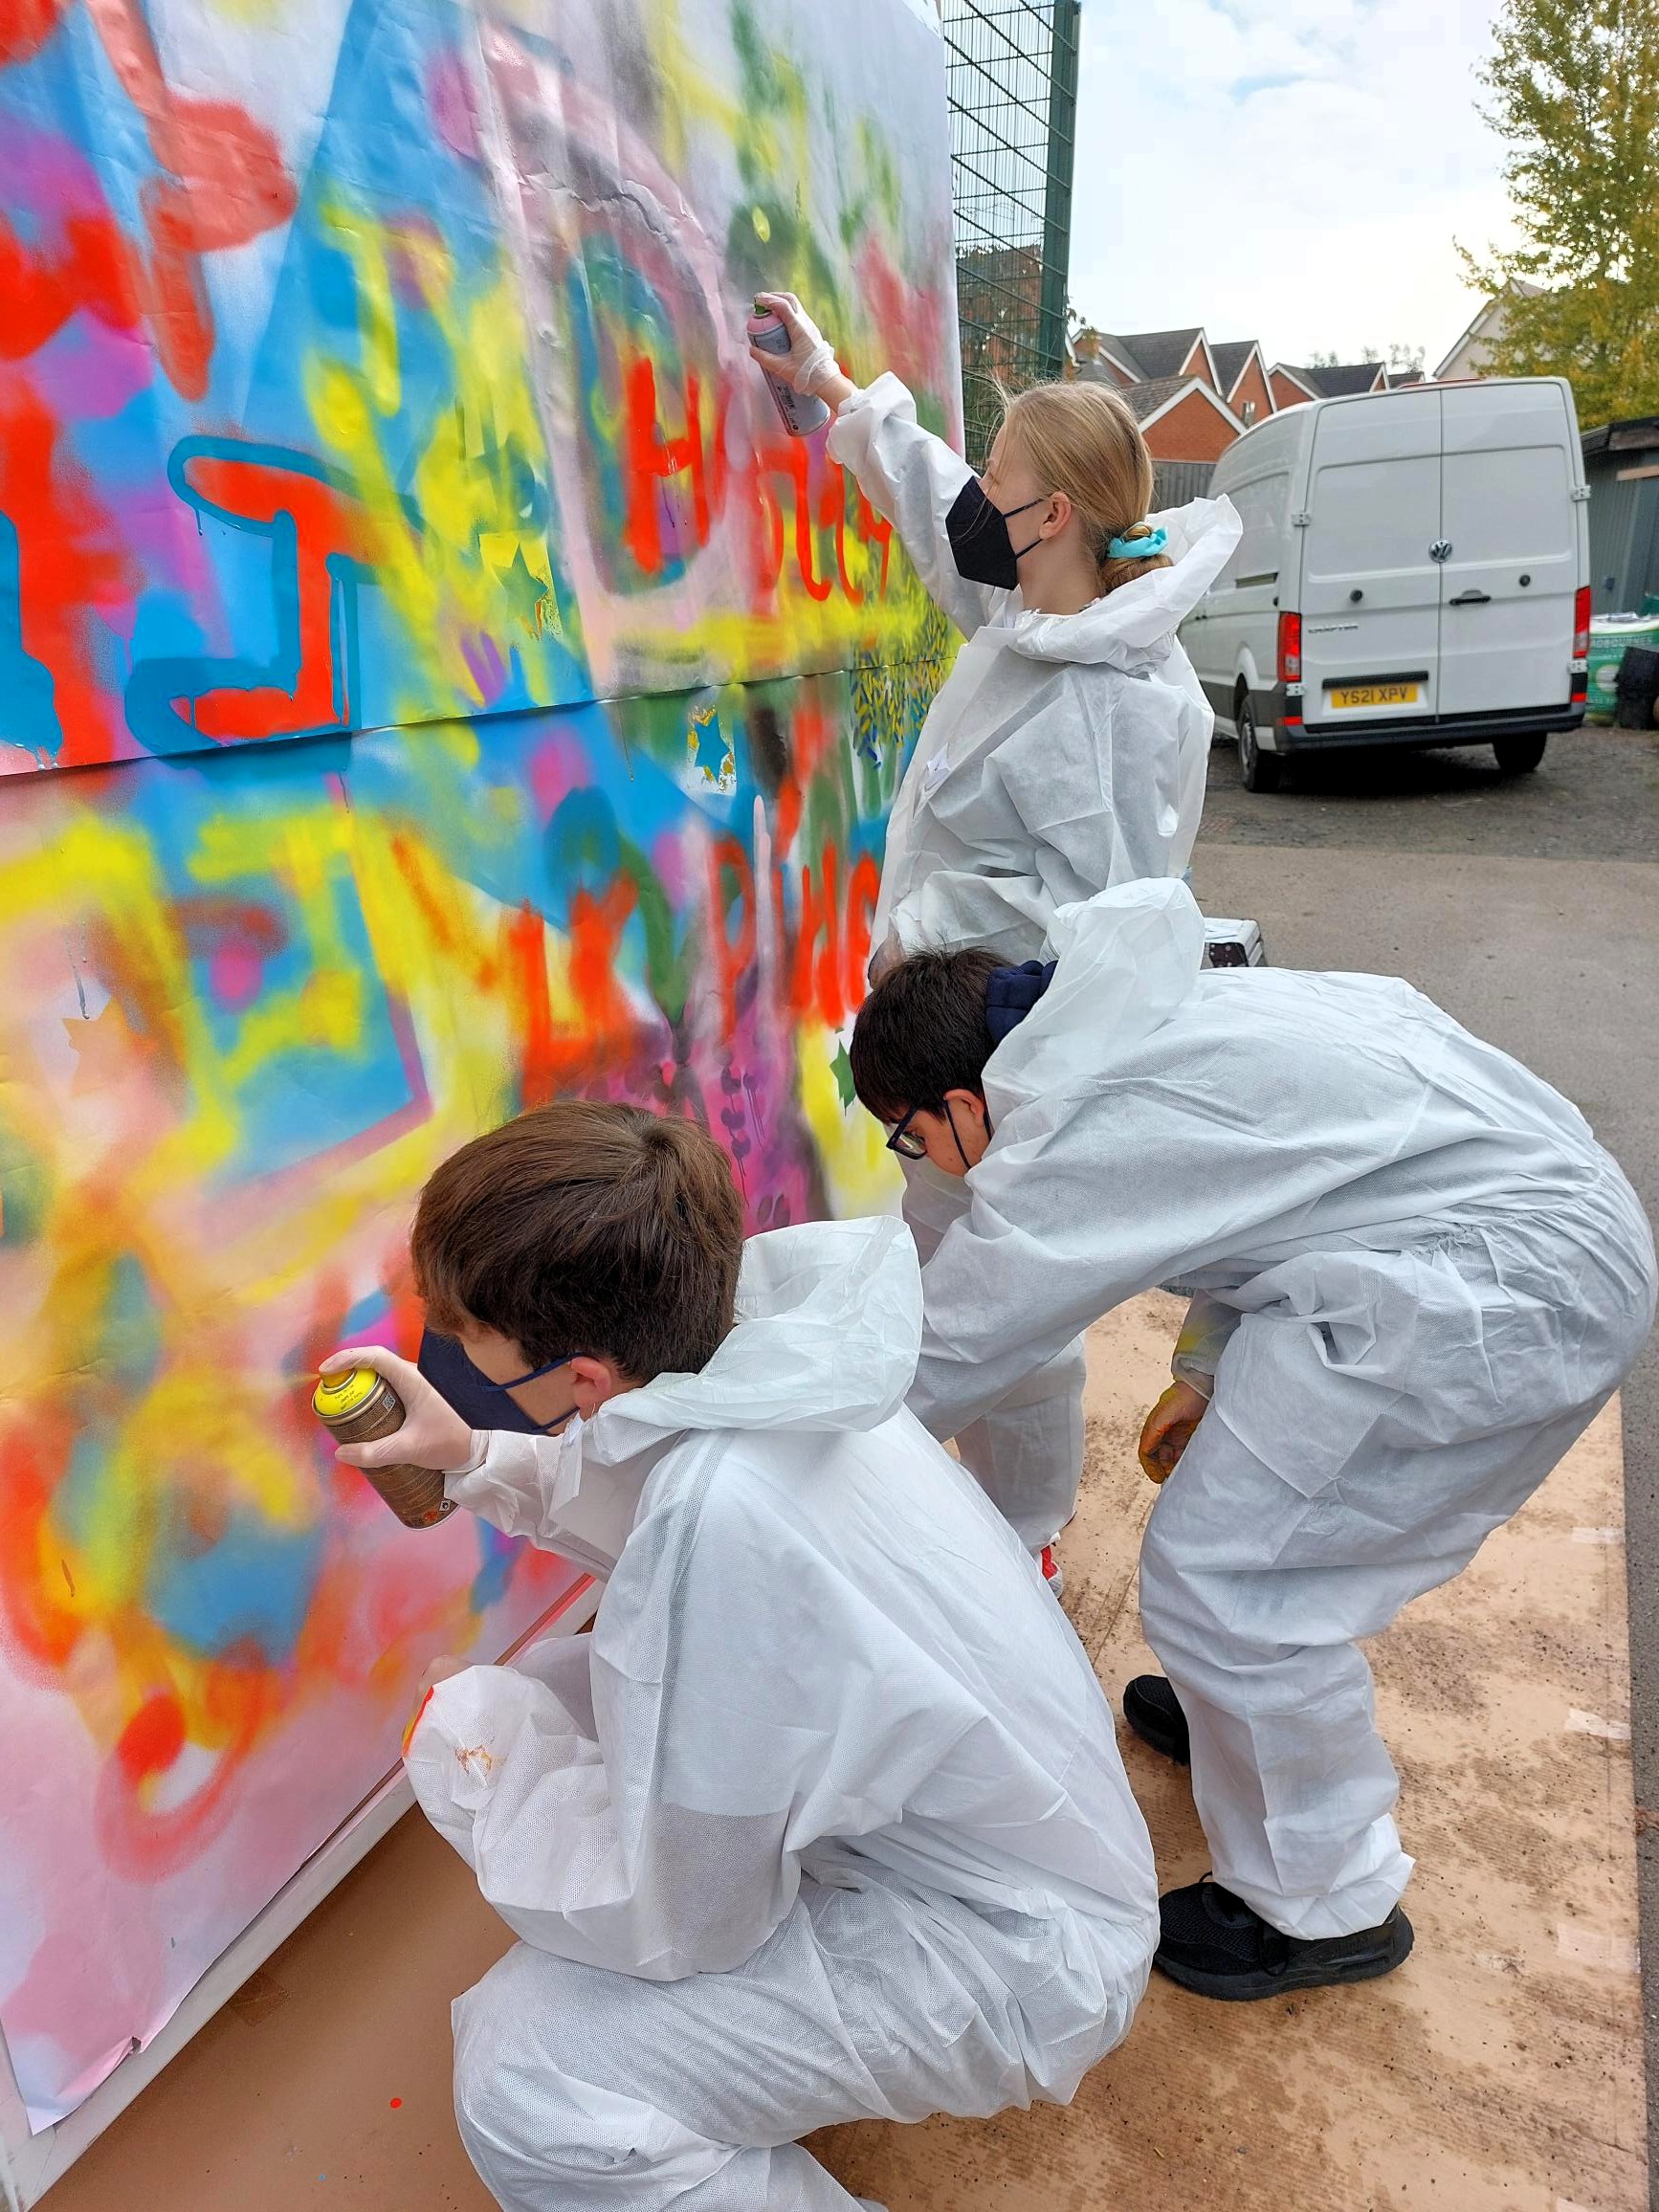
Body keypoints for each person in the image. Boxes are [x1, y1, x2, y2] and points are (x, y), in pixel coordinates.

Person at [322, 1101, 1159, 2210]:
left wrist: (478, 1774)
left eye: (479, 1355)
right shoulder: (778, 1360)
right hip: (1027, 1847)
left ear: (581, 1378)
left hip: (1013, 1953)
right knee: (572, 1693)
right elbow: (647, 1471)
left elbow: (683, 1916)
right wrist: (474, 1451)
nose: (461, 1361)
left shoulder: (719, 1525)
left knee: (531, 2073)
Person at [848, 879, 1655, 2000]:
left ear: (962, 1100)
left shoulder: (1079, 1132)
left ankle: (1324, 1900)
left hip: (1504, 1289)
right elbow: (1291, 1185)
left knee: (1233, 1580)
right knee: (1237, 1573)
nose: (922, 1161)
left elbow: (944, 1353)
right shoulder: (1127, 1016)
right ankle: (1245, 1721)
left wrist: (775, 1459)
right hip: (1490, 1229)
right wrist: (1204, 1365)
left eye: (913, 1136)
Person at [751, 290, 1242, 1582]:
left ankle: (1018, 1535)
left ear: (1057, 517)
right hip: (950, 1023)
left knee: (1012, 1307)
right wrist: (840, 393)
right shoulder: (1045, 615)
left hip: (1007, 1045)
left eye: (1006, 488)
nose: (982, 507)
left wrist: (924, 925)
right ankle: (945, 1507)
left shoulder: (1115, 704)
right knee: (945, 1265)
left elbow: (1100, 924)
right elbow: (942, 510)